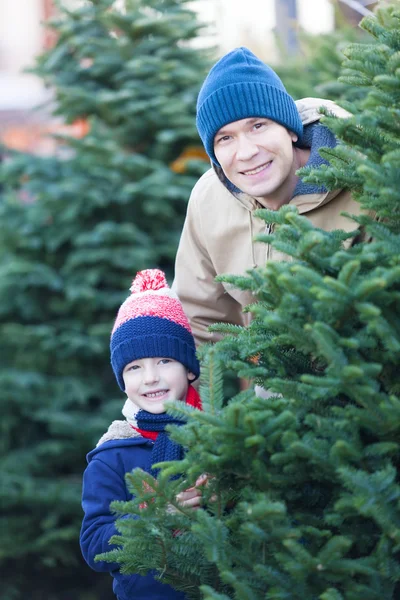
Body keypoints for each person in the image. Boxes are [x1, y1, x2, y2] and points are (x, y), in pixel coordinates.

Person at [173, 47, 369, 347]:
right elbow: (197, 321)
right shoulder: (208, 199)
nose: (247, 152)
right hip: (270, 377)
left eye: (258, 126)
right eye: (225, 138)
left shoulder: (364, 181)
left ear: (290, 130)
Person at [80, 268, 203, 600]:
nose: (150, 378)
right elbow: (94, 545)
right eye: (134, 367)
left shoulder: (217, 440)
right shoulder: (112, 455)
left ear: (189, 368)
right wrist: (157, 516)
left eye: (164, 360)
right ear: (122, 379)